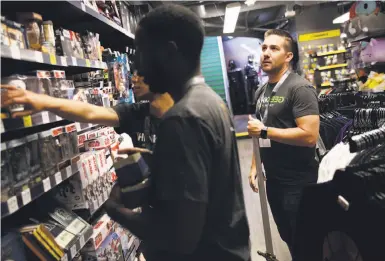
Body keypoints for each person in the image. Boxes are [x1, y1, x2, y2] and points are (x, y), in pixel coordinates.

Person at [104, 4, 250, 261]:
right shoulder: (211, 102)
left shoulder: (182, 118)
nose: (136, 64)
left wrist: (115, 211)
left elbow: (179, 238)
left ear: (169, 52)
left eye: (141, 51)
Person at [247, 29, 320, 256]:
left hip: (299, 181)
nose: (266, 53)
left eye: (274, 48)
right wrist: (254, 165)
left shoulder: (300, 88)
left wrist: (266, 131)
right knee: (287, 235)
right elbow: (258, 130)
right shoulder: (261, 90)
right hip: (275, 179)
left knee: (305, 241)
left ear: (288, 56)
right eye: (264, 48)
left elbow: (309, 136)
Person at [1, 71, 173, 152]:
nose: (133, 79)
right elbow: (89, 112)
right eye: (133, 74)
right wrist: (44, 101)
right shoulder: (137, 113)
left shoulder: (187, 117)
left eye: (141, 73)